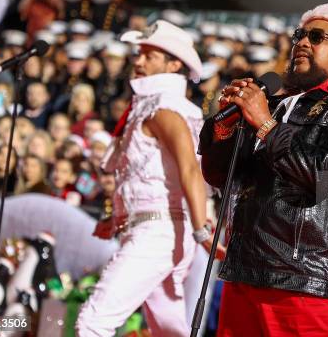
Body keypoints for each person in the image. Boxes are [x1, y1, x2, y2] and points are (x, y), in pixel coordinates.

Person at [199, 3, 328, 336]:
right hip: (246, 274)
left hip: (305, 284)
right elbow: (221, 176)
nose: (301, 42)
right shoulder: (276, 103)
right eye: (300, 34)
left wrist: (267, 126)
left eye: (317, 36)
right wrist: (224, 129)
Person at [76, 20, 224, 336]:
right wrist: (114, 214)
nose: (138, 60)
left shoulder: (164, 108)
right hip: (158, 229)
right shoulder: (154, 105)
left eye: (149, 55)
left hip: (159, 232)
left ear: (173, 65)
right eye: (139, 53)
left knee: (93, 322)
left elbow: (189, 169)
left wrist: (202, 230)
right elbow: (141, 172)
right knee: (169, 330)